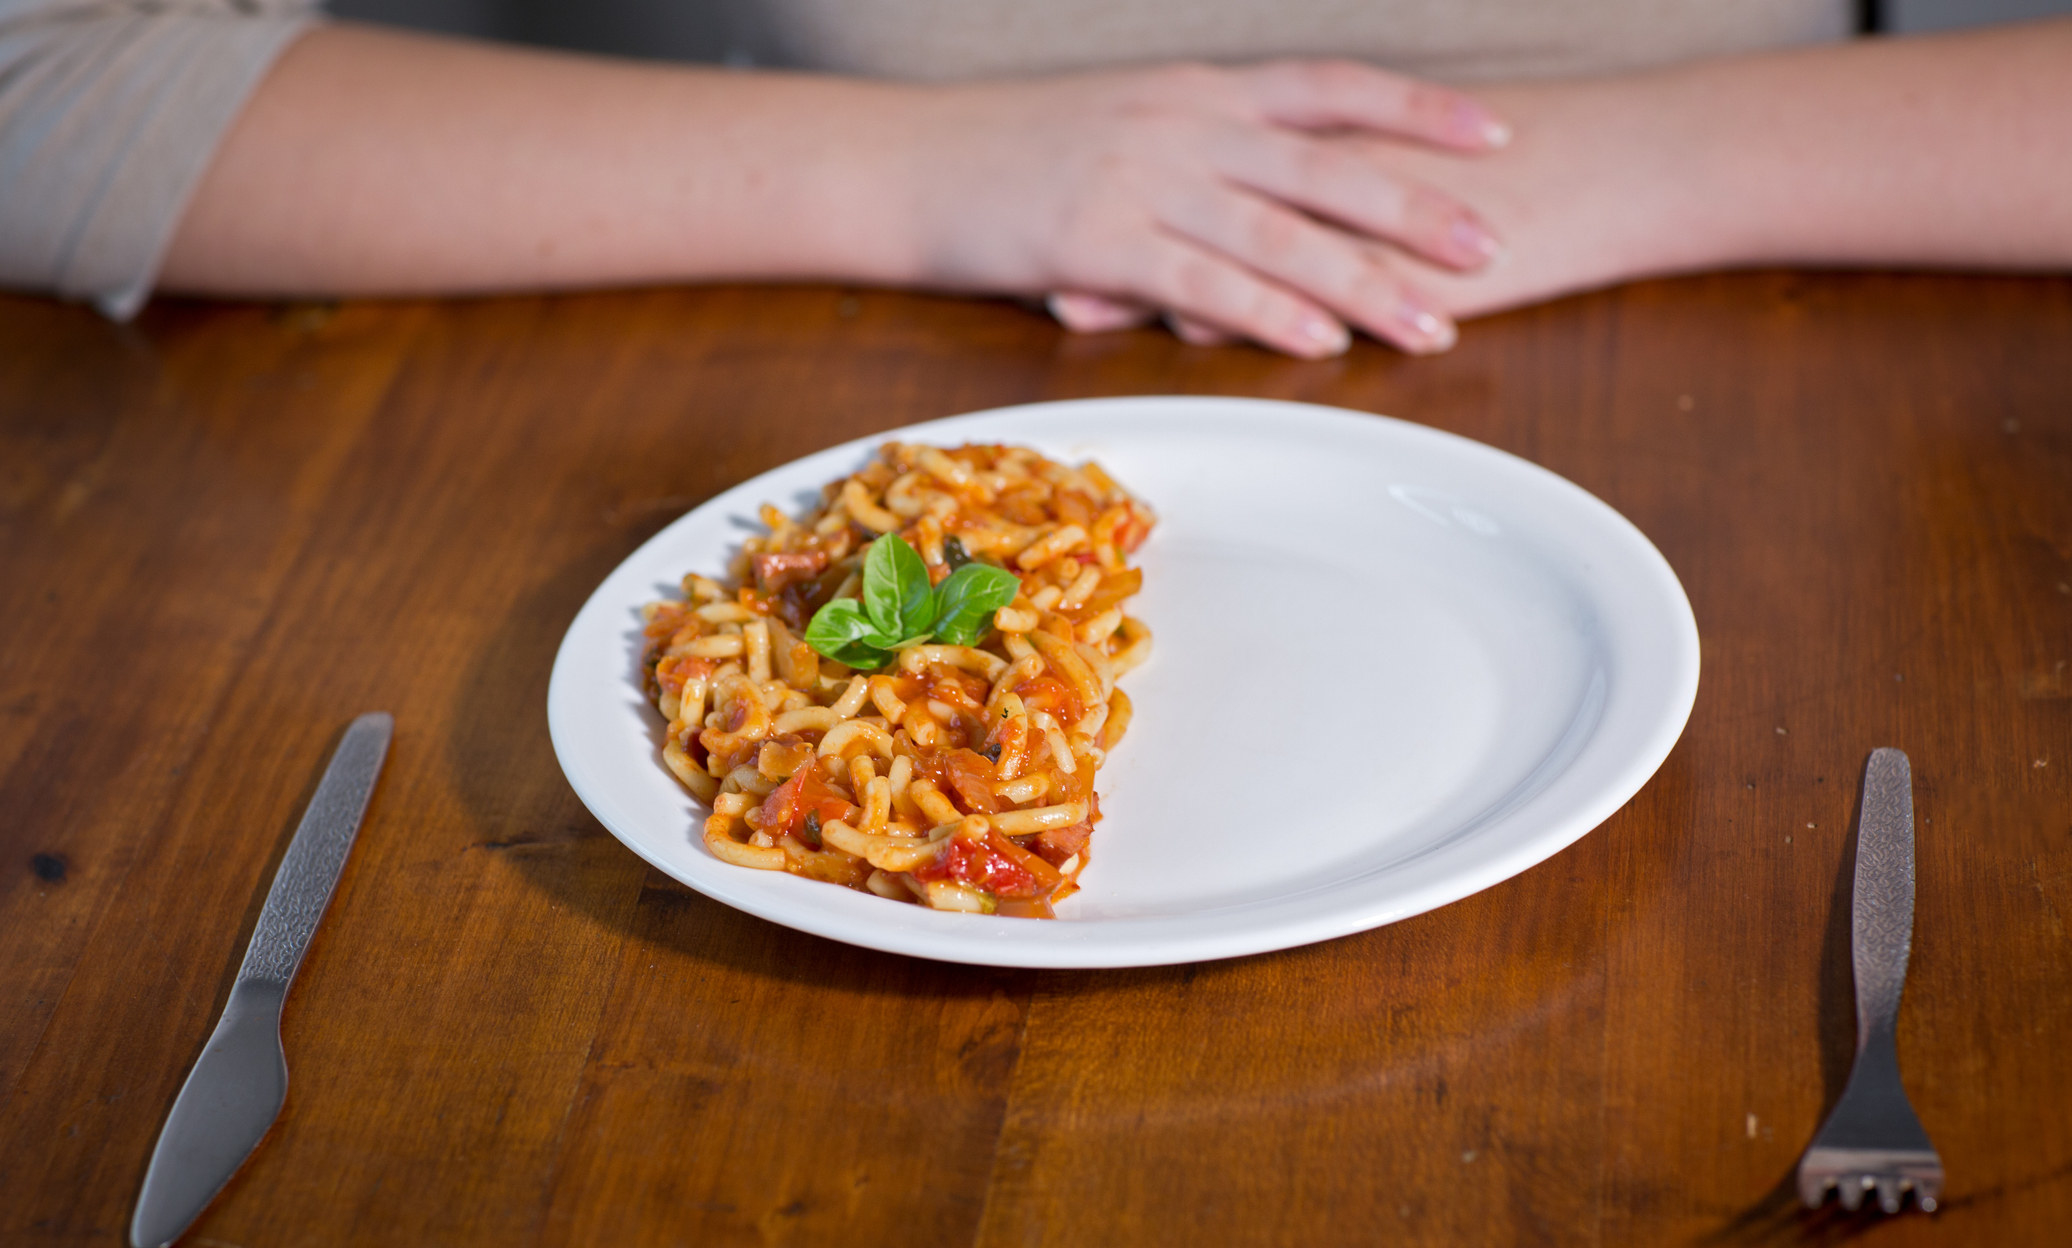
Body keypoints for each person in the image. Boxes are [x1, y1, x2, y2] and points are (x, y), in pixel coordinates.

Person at [2, 0, 2067, 357]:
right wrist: (930, 177)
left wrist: (1656, 157)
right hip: (835, 312)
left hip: (1803, 313)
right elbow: (43, 79)